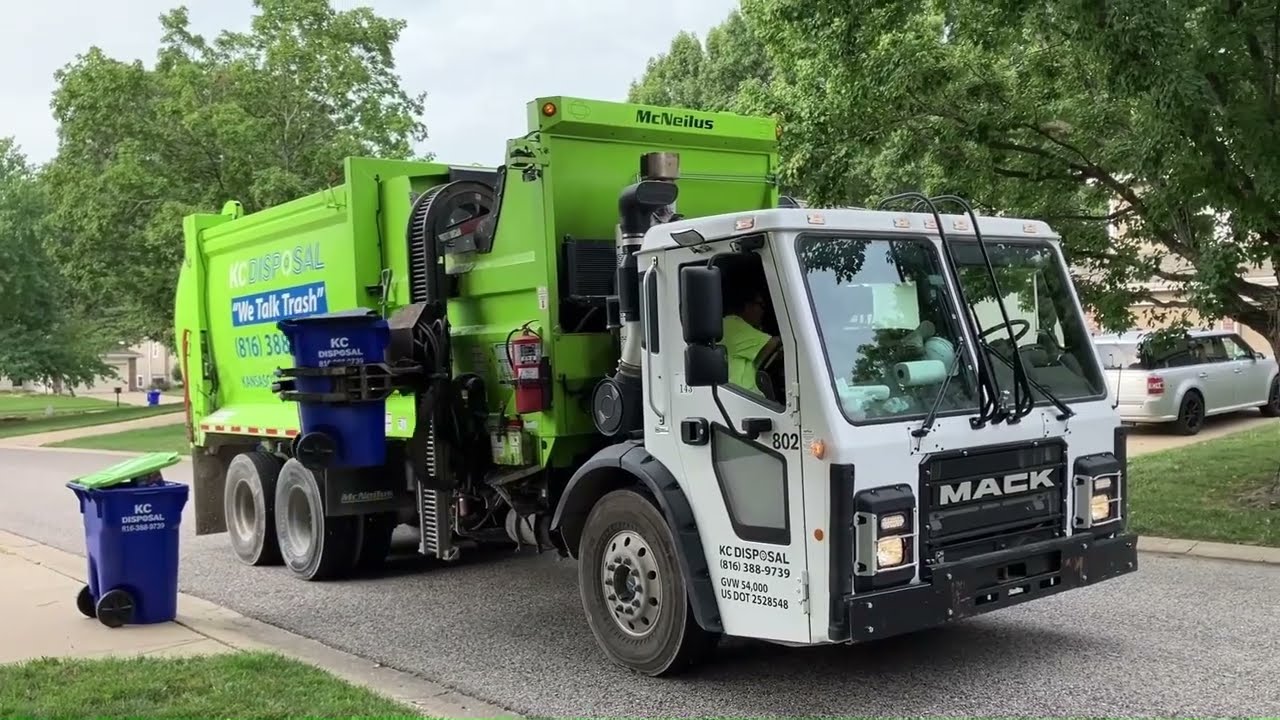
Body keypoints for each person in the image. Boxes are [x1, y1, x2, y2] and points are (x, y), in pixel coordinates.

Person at [719, 288, 782, 396]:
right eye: (761, 305)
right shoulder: (733, 324)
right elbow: (773, 344)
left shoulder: (727, 325)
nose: (763, 311)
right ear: (747, 305)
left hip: (745, 399)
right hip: (742, 400)